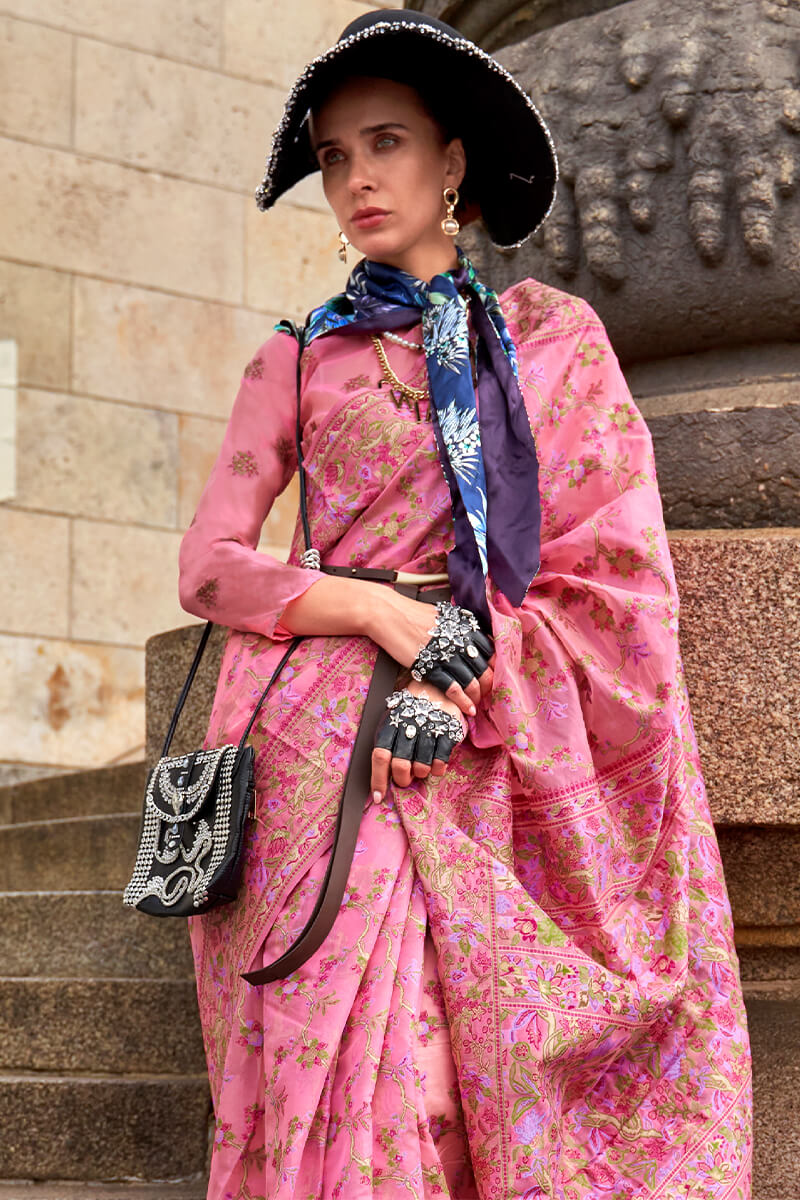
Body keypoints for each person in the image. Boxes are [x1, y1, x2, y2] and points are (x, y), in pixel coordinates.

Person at [178, 9, 753, 1198]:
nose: (355, 179)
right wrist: (378, 615)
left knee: (436, 1070)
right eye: (333, 156)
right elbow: (210, 566)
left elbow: (610, 570)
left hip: (475, 740)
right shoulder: (294, 360)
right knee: (330, 1052)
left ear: (452, 165)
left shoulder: (554, 346)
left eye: (384, 142)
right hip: (308, 750)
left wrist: (457, 669)